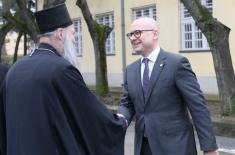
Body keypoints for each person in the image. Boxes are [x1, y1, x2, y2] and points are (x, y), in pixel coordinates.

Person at [0, 3, 126, 155]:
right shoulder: (61, 70)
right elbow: (89, 116)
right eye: (73, 33)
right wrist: (119, 122)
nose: (74, 39)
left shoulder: (15, 69)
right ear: (60, 34)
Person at [117, 17, 219, 155]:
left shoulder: (177, 64)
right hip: (143, 147)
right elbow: (127, 103)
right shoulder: (130, 70)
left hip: (176, 146)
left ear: (155, 34)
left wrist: (210, 147)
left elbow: (198, 106)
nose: (133, 38)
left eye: (138, 33)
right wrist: (121, 118)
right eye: (130, 34)